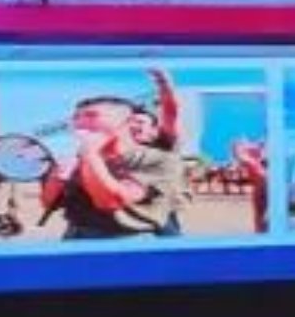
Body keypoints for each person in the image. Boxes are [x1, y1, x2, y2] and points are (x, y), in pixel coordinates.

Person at [35, 96, 184, 239]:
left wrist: (90, 154)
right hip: (75, 236)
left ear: (129, 122)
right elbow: (47, 202)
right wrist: (57, 176)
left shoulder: (157, 159)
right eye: (76, 117)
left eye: (92, 116)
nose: (80, 123)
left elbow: (110, 201)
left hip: (130, 241)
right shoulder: (78, 158)